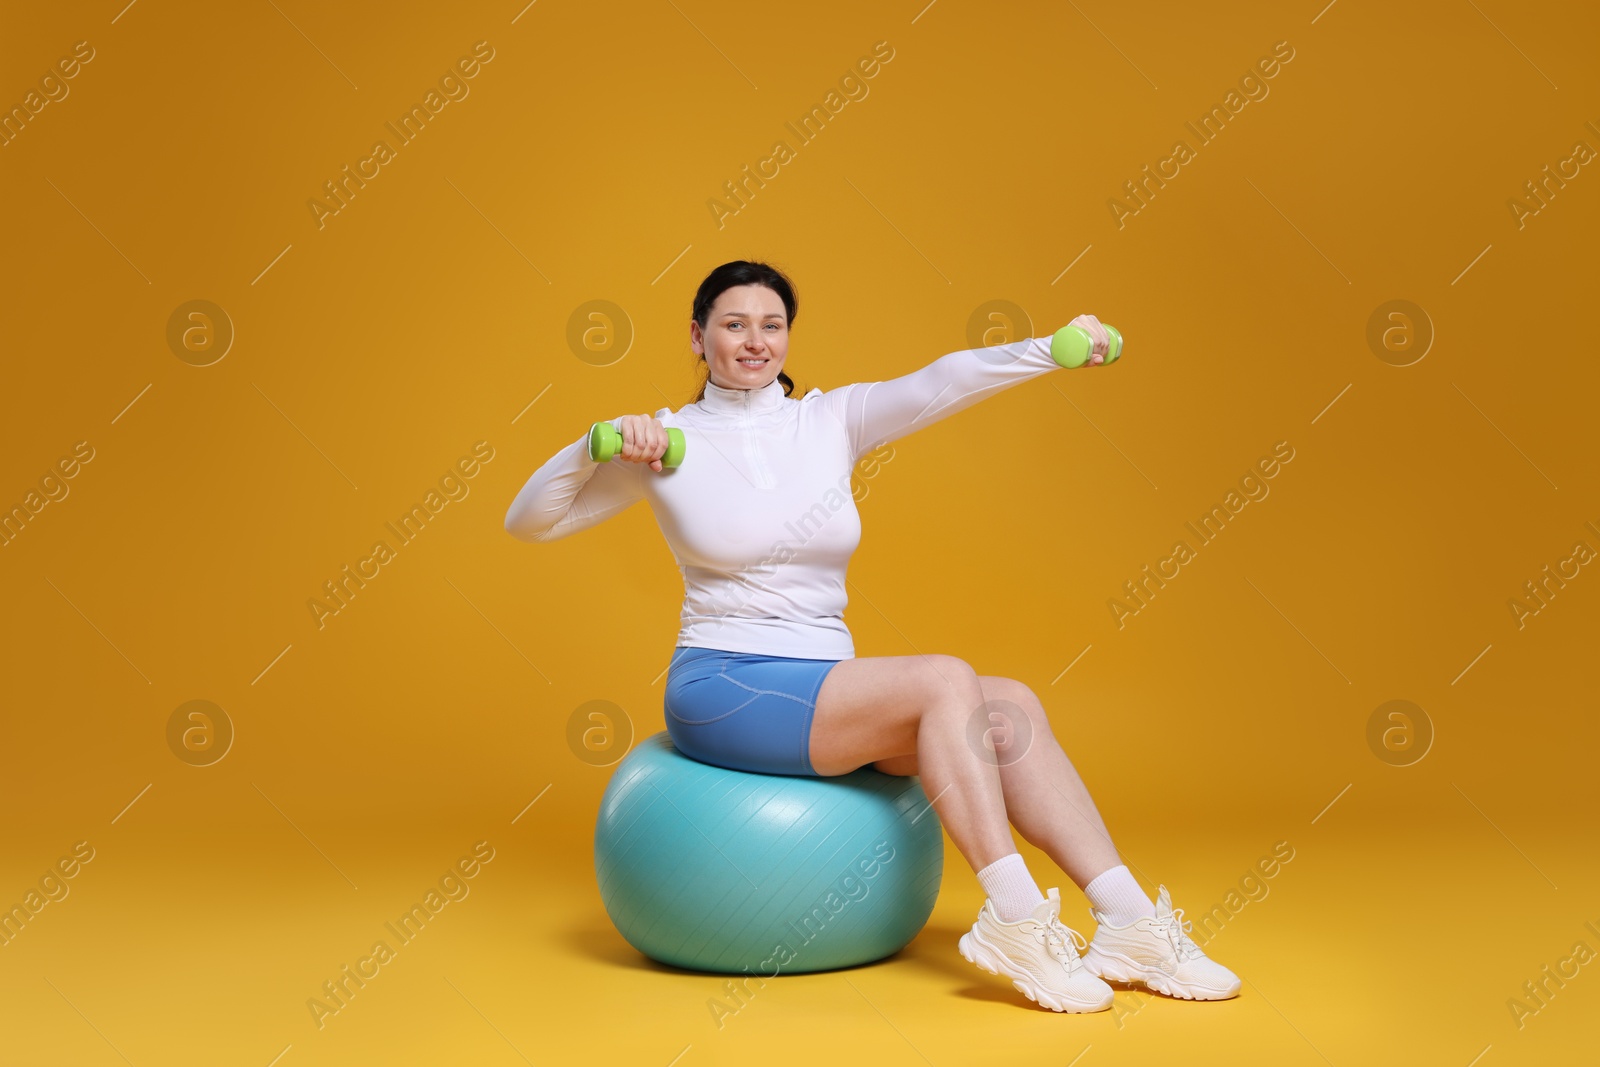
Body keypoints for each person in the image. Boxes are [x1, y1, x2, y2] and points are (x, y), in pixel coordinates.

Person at [504, 259, 1241, 1013]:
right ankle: (1016, 917)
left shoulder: (830, 421)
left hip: (822, 684)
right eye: (733, 324)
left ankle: (1129, 923)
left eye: (772, 324)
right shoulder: (664, 443)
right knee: (943, 677)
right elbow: (527, 521)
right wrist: (593, 446)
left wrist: (1051, 347)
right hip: (722, 682)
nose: (754, 342)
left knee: (1007, 704)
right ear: (698, 337)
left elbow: (943, 380)